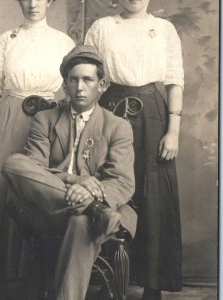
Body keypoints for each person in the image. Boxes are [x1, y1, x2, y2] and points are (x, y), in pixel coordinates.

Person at [0, 0, 75, 292]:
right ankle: (0, 273)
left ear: (50, 2)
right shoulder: (6, 39)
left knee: (37, 187)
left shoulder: (63, 41)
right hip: (8, 119)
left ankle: (31, 272)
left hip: (48, 120)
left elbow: (74, 89)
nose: (33, 4)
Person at [1, 45, 138, 300]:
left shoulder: (118, 126)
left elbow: (121, 181)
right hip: (50, 210)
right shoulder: (45, 119)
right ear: (65, 84)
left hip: (101, 207)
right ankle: (93, 209)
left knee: (81, 221)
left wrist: (91, 194)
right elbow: (34, 170)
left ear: (102, 84)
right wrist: (77, 181)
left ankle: (90, 210)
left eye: (87, 79)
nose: (80, 87)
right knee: (13, 163)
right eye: (73, 80)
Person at [85, 0, 184, 299]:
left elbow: (175, 80)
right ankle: (106, 276)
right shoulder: (102, 28)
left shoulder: (164, 28)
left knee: (151, 194)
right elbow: (88, 75)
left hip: (152, 113)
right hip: (110, 109)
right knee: (109, 186)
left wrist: (173, 131)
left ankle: (152, 283)